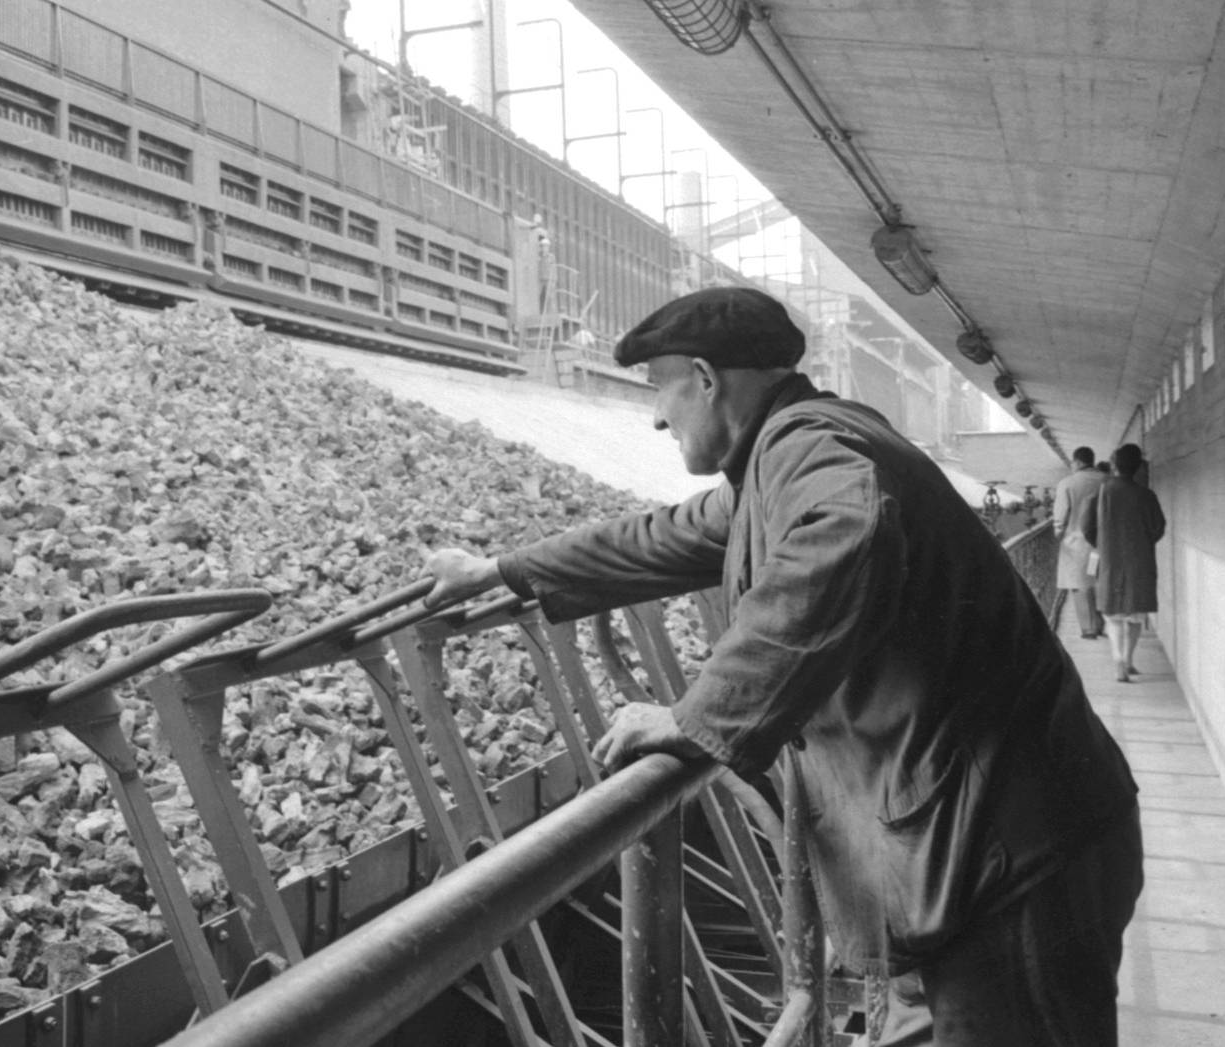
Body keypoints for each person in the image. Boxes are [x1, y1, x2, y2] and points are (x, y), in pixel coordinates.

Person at [424, 286, 1141, 1045]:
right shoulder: (788, 455)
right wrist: (500, 569)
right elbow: (661, 534)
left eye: (660, 388)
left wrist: (697, 716)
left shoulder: (807, 446)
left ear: (705, 378)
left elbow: (846, 531)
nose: (657, 416)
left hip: (1011, 860)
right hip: (999, 840)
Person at [1082, 444, 1166, 682]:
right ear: (1138, 467)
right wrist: (1141, 543)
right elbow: (1158, 528)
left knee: (1113, 615)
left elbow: (1087, 526)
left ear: (1114, 465)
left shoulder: (1100, 493)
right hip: (1139, 561)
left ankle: (1117, 659)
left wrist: (1102, 543)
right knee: (1136, 615)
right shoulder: (1147, 495)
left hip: (1109, 559)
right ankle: (1128, 660)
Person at [1052, 447, 1107, 640]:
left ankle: (1088, 628)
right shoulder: (1106, 480)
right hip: (1101, 543)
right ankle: (1100, 624)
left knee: (1079, 585)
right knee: (1096, 582)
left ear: (1077, 462)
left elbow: (1060, 516)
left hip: (1075, 544)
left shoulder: (1067, 483)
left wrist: (1058, 534)